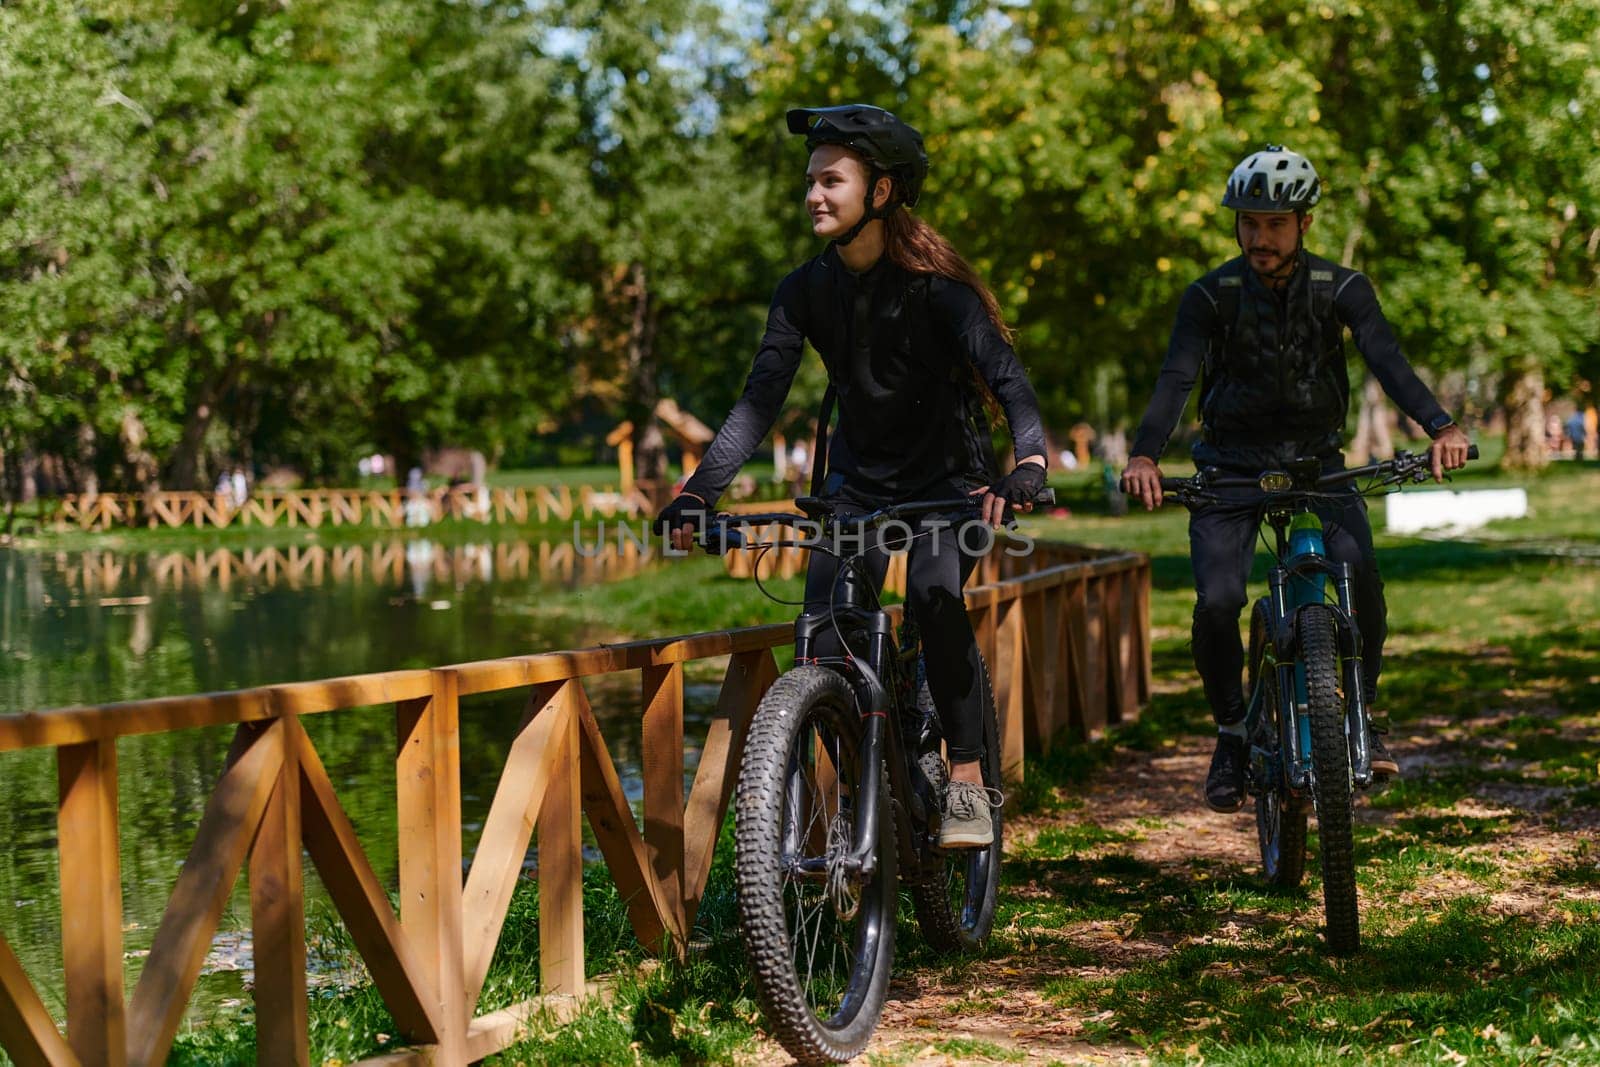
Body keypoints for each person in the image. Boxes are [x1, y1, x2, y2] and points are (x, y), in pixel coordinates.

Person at [654, 103, 1050, 848]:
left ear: (882, 191)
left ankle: (964, 773)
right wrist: (698, 492)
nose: (813, 194)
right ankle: (876, 790)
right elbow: (758, 399)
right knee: (824, 639)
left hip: (949, 485)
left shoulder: (941, 292)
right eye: (810, 180)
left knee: (934, 594)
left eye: (832, 179)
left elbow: (1009, 380)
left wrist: (1028, 462)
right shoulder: (803, 291)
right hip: (856, 488)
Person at [1120, 144, 1472, 814]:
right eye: (1249, 222)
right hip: (1230, 467)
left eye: (1275, 223)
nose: (1260, 236)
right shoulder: (1209, 297)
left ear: (1304, 223)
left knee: (1360, 578)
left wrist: (1438, 426)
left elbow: (1387, 360)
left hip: (1317, 461)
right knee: (1218, 603)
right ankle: (1230, 731)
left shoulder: (1341, 289)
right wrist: (1143, 454)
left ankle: (1361, 711)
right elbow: (1177, 378)